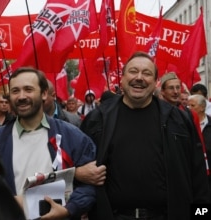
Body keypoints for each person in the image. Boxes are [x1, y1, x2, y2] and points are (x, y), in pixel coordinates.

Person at [80, 51, 209, 220]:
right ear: (122, 79)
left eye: (147, 73)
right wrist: (78, 172)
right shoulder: (97, 119)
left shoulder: (179, 120)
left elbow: (198, 175)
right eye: (133, 71)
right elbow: (77, 167)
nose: (139, 77)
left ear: (155, 82)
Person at [0, 67, 96, 220]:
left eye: (28, 89)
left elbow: (90, 184)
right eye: (15, 91)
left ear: (44, 93)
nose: (21, 96)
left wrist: (70, 209)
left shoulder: (71, 136)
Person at [187, 94, 211, 201]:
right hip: (193, 173)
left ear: (202, 108)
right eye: (188, 106)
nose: (189, 109)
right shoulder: (186, 124)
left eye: (192, 106)